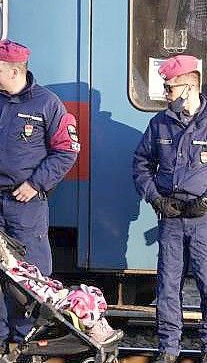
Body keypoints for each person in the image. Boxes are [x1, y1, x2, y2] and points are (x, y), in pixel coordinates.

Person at [0, 40, 80, 363]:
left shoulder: (47, 105)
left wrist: (35, 184)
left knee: (32, 275)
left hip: (26, 205)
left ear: (15, 71)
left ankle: (25, 340)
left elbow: (66, 151)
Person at [133, 55, 207, 363]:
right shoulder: (159, 123)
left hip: (203, 219)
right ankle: (168, 350)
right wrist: (155, 198)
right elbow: (140, 165)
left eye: (169, 87)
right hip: (172, 218)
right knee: (167, 286)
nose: (165, 94)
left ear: (189, 87)